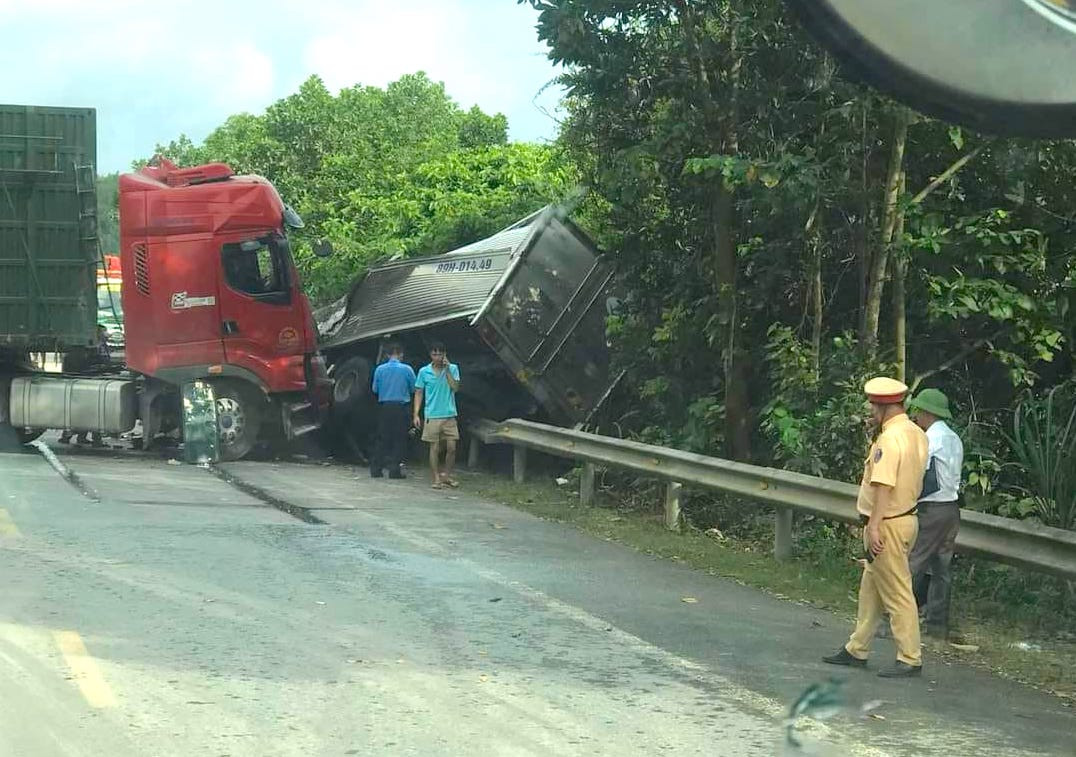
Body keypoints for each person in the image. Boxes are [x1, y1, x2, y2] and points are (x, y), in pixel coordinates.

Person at [823, 376, 928, 678]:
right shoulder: (915, 433)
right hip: (905, 518)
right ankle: (857, 648)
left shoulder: (889, 439)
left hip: (888, 523)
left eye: (872, 405)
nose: (870, 410)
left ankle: (910, 657)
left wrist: (874, 527)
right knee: (871, 590)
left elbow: (883, 485)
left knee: (897, 592)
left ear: (883, 407)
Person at [907, 387, 964, 640]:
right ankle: (937, 625)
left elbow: (921, 472)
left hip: (932, 510)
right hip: (951, 510)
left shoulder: (931, 439)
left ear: (927, 412)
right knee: (942, 569)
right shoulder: (953, 438)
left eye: (918, 411)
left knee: (914, 563)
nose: (916, 416)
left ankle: (896, 619)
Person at [413, 342, 461, 490]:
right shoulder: (424, 371)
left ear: (444, 354)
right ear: (430, 355)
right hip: (432, 414)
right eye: (434, 354)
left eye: (440, 354)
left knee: (452, 447)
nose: (437, 357)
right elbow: (419, 392)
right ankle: (435, 477)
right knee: (434, 447)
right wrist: (416, 413)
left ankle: (446, 475)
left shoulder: (453, 368)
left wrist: (447, 370)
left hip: (449, 413)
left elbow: (455, 387)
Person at [59, 325, 111, 446]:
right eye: (103, 332)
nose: (105, 335)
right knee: (91, 411)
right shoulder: (88, 347)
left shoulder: (96, 345)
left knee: (88, 411)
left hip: (88, 381)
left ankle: (80, 437)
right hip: (85, 381)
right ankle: (89, 438)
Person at [370, 343, 416, 479]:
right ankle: (394, 470)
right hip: (401, 406)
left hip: (384, 406)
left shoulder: (379, 370)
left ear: (387, 355)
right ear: (401, 354)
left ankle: (376, 469)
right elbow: (414, 388)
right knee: (399, 438)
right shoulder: (407, 369)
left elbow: (375, 389)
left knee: (382, 438)